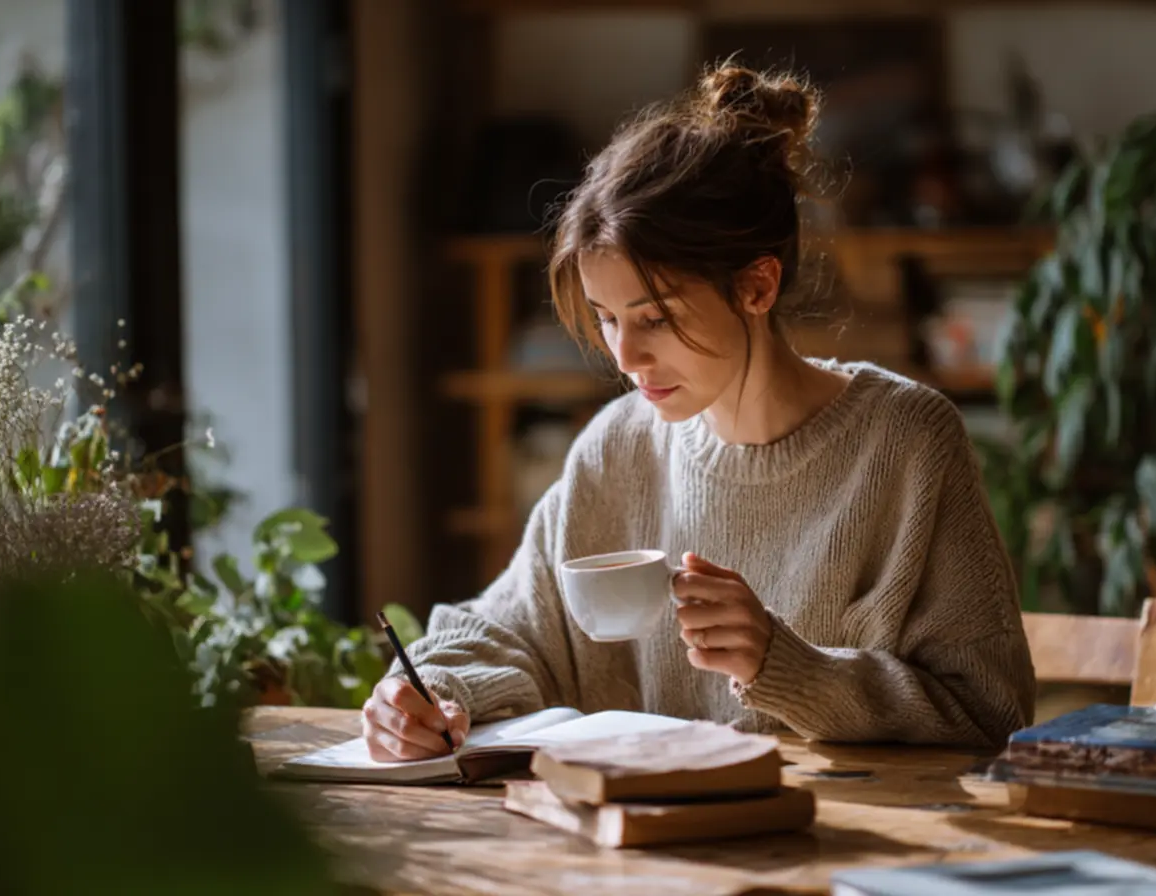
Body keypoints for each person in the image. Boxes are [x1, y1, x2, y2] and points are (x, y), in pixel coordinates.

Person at [361, 64, 1036, 762]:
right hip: (640, 852)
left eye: (653, 318)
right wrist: (428, 692)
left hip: (839, 851)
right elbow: (509, 628)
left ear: (757, 285)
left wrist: (788, 667)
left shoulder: (905, 441)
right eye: (606, 318)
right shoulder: (617, 447)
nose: (625, 357)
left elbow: (990, 711)